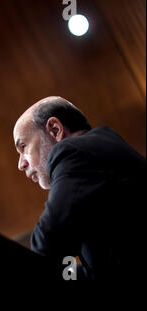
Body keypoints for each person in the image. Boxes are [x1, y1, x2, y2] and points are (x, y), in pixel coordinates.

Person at [13, 96, 145, 280]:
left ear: (55, 129)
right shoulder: (99, 148)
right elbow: (101, 264)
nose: (21, 164)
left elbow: (47, 243)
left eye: (24, 147)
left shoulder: (71, 152)